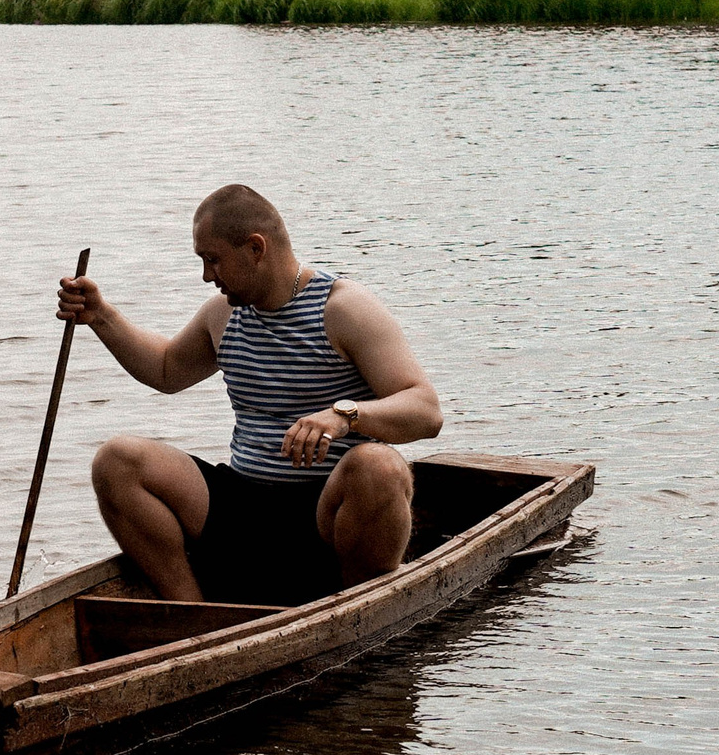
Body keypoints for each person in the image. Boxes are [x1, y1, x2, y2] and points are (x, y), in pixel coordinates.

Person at [58, 184, 443, 606]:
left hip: (329, 512)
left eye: (213, 259)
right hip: (244, 504)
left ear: (256, 248)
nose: (208, 275)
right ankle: (189, 615)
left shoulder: (344, 309)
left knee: (379, 466)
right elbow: (166, 371)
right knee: (117, 460)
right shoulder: (223, 314)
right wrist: (101, 317)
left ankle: (356, 607)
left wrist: (342, 416)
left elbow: (425, 411)